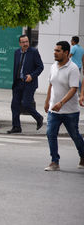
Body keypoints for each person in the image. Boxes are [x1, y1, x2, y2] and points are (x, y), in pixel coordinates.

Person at [44, 41, 84, 171]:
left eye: (58, 51)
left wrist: (61, 103)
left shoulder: (73, 68)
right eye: (54, 50)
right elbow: (51, 84)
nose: (55, 53)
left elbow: (73, 89)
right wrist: (47, 101)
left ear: (66, 53)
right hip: (54, 110)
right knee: (50, 133)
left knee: (75, 136)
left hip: (70, 111)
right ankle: (54, 161)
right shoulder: (53, 66)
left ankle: (83, 156)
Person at [7, 35, 44, 134]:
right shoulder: (17, 52)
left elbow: (40, 67)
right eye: (23, 42)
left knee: (26, 104)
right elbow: (16, 67)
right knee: (14, 105)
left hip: (29, 83)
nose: (25, 44)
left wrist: (32, 76)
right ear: (20, 43)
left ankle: (39, 117)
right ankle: (16, 127)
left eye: (27, 41)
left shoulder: (34, 52)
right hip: (18, 82)